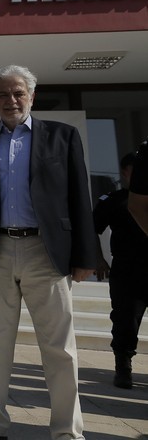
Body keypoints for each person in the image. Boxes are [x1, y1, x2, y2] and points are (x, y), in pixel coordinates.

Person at [0, 65, 97, 440]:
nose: (11, 101)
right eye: (3, 94)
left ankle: (68, 431)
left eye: (18, 93)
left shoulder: (62, 137)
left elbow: (78, 198)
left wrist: (87, 255)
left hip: (46, 253)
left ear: (32, 96)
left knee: (60, 349)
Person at [95, 151, 148, 389]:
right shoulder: (114, 200)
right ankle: (123, 367)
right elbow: (91, 227)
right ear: (126, 173)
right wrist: (96, 258)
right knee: (125, 321)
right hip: (128, 269)